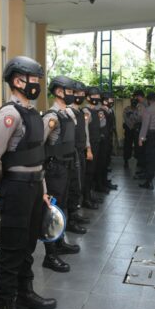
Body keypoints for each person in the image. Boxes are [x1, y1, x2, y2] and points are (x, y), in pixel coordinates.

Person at [0, 56, 56, 309]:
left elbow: (38, 158)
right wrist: (6, 185)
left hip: (35, 188)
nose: (36, 85)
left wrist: (43, 192)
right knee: (12, 249)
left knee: (28, 246)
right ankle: (7, 302)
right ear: (17, 80)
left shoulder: (33, 113)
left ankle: (25, 293)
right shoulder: (9, 114)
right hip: (17, 189)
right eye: (33, 80)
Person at [41, 75, 81, 272]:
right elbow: (39, 144)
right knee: (51, 211)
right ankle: (49, 255)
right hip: (54, 168)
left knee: (62, 207)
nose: (73, 95)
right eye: (70, 92)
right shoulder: (52, 116)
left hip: (66, 167)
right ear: (58, 91)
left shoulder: (67, 114)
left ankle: (59, 243)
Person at [65, 80, 91, 231]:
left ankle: (74, 213)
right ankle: (70, 220)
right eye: (77, 93)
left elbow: (85, 132)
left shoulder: (81, 112)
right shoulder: (67, 112)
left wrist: (88, 148)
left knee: (79, 183)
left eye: (82, 94)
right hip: (71, 154)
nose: (80, 96)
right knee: (73, 185)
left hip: (80, 152)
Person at [81, 87, 104, 209]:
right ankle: (86, 198)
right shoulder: (86, 111)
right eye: (93, 97)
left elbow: (102, 124)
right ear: (88, 97)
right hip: (90, 145)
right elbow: (85, 131)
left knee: (93, 171)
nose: (96, 99)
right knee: (88, 172)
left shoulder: (96, 111)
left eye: (98, 97)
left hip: (97, 143)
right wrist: (88, 148)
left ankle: (89, 194)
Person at [100, 92, 118, 191]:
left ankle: (105, 181)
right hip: (103, 140)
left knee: (106, 161)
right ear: (104, 101)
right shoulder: (101, 112)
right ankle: (101, 183)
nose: (112, 101)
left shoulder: (110, 110)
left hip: (108, 139)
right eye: (111, 99)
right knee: (102, 163)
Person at [133, 89, 147, 178]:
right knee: (142, 150)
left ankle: (144, 170)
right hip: (144, 128)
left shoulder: (142, 105)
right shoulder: (145, 103)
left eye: (136, 97)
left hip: (142, 127)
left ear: (139, 96)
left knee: (141, 149)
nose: (135, 98)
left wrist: (134, 115)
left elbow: (139, 117)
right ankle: (143, 169)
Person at [123, 97, 140, 169]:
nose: (133, 103)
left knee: (138, 146)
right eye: (132, 101)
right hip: (128, 129)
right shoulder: (127, 109)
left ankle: (138, 160)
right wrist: (131, 125)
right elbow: (125, 118)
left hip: (136, 129)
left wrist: (134, 121)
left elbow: (139, 119)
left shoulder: (139, 109)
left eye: (135, 102)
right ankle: (126, 161)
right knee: (127, 145)